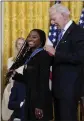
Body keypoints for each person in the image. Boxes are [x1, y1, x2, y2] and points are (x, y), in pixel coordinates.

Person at [45, 3, 84, 121]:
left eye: (54, 18)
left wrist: (55, 53)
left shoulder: (78, 32)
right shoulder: (62, 33)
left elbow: (80, 57)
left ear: (63, 15)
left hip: (69, 89)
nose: (52, 22)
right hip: (59, 89)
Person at [12, 29, 53, 121]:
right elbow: (31, 79)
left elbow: (43, 82)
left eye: (34, 37)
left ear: (41, 41)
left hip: (39, 102)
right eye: (29, 36)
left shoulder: (43, 56)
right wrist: (16, 76)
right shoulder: (31, 56)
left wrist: (39, 105)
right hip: (30, 98)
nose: (30, 39)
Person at [2, 37, 25, 121]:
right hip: (11, 87)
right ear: (16, 46)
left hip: (22, 88)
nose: (21, 46)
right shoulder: (10, 60)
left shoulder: (29, 60)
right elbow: (10, 76)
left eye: (23, 44)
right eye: (19, 44)